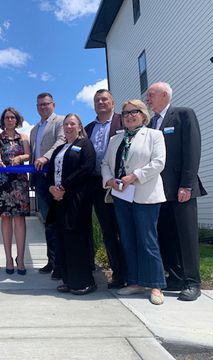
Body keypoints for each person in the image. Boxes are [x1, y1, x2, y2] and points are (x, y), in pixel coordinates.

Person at [101, 99, 166, 305]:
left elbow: (158, 162)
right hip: (121, 196)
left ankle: (155, 285)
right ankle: (135, 281)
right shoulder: (115, 140)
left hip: (145, 195)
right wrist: (109, 180)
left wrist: (134, 176)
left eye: (134, 112)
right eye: (125, 112)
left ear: (143, 115)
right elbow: (105, 163)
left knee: (147, 240)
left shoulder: (154, 135)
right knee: (128, 240)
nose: (129, 115)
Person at [146, 82, 207, 301]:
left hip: (182, 189)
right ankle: (175, 276)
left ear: (164, 95)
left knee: (187, 236)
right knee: (167, 235)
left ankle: (192, 282)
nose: (147, 99)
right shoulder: (151, 123)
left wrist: (187, 185)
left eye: (151, 95)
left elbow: (192, 150)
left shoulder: (183, 115)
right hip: (159, 192)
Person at [47, 114, 96, 295]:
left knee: (77, 239)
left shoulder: (85, 144)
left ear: (79, 126)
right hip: (59, 200)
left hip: (77, 199)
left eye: (72, 124)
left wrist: (63, 186)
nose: (68, 127)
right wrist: (52, 188)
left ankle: (83, 281)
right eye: (66, 124)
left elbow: (86, 168)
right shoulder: (59, 148)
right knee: (62, 239)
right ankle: (68, 279)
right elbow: (51, 171)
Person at [84, 89, 126, 289]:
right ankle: (118, 273)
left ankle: (132, 272)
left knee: (124, 229)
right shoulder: (88, 128)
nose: (100, 102)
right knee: (108, 230)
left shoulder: (122, 122)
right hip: (95, 184)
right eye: (97, 100)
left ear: (112, 102)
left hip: (120, 184)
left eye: (104, 99)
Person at [30, 92, 65, 278]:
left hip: (55, 179)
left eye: (46, 104)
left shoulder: (60, 122)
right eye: (39, 105)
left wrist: (45, 157)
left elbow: (61, 141)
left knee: (57, 222)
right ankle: (51, 261)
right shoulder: (34, 129)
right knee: (48, 223)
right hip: (40, 181)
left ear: (53, 104)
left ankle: (60, 263)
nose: (42, 107)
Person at [0, 107, 30, 275]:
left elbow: (28, 155)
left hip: (19, 182)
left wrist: (20, 157)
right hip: (2, 182)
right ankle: (8, 258)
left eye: (12, 117)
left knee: (20, 220)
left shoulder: (24, 138)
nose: (9, 120)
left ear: (17, 119)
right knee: (6, 220)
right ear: (3, 120)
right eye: (6, 117)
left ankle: (20, 259)